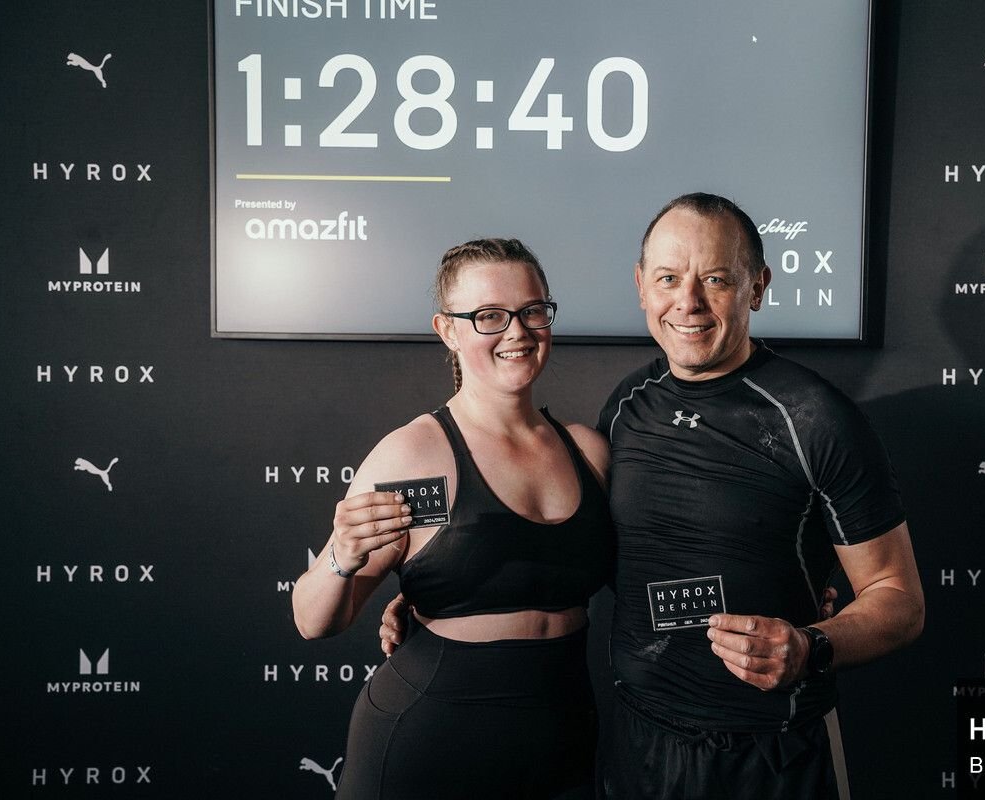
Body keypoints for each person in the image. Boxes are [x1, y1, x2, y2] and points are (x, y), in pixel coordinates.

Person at [381, 193, 924, 799]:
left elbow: (899, 600)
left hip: (771, 752)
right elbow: (595, 548)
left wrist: (811, 646)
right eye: (668, 278)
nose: (687, 303)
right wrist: (457, 591)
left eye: (715, 279)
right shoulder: (628, 406)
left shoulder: (817, 419)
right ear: (642, 286)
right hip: (637, 748)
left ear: (758, 286)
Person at [292, 238, 614, 799]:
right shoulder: (413, 455)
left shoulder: (588, 450)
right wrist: (342, 558)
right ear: (447, 329)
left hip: (563, 739)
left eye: (532, 310)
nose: (516, 331)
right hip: (432, 740)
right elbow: (313, 620)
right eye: (489, 315)